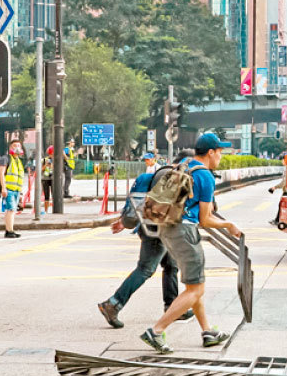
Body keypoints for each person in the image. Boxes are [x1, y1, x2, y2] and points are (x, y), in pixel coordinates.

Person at [140, 133, 241, 352]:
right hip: (185, 232)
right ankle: (156, 331)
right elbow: (205, 219)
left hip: (168, 228)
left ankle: (207, 331)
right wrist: (229, 225)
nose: (221, 157)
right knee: (196, 289)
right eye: (220, 152)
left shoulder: (185, 164)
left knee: (192, 286)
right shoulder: (206, 176)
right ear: (211, 152)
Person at [96, 166, 190, 329]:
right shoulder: (178, 180)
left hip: (150, 226)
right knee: (145, 268)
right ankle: (113, 304)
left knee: (171, 265)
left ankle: (173, 307)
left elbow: (136, 207)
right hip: (157, 230)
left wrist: (123, 222)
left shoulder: (149, 180)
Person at [0, 139, 26, 239]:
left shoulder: (18, 161)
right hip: (8, 189)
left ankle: (9, 230)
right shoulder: (6, 158)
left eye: (19, 145)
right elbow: (1, 173)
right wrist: (3, 188)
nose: (17, 147)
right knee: (11, 210)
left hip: (16, 190)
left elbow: (19, 178)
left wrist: (21, 193)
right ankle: (9, 231)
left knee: (12, 210)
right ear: (10, 148)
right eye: (14, 145)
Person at [41, 147, 54, 213]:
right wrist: (46, 165)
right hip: (45, 179)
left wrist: (52, 166)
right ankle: (46, 211)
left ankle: (54, 210)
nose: (52, 156)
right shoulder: (44, 160)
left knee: (54, 195)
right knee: (46, 196)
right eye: (51, 154)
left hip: (53, 179)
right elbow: (41, 169)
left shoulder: (56, 160)